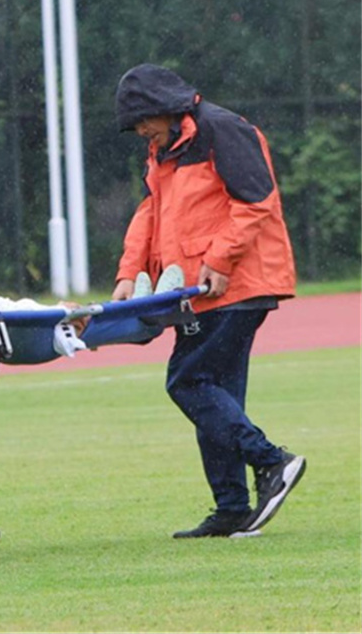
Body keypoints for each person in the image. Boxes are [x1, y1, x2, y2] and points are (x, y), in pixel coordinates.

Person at [111, 63, 306, 539]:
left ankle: (271, 461)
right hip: (197, 291)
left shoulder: (223, 129)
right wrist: (129, 272)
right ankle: (232, 507)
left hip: (234, 285)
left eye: (143, 121)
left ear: (165, 107)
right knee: (217, 396)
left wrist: (219, 260)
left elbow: (257, 201)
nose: (141, 132)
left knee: (188, 381)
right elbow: (150, 211)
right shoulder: (165, 148)